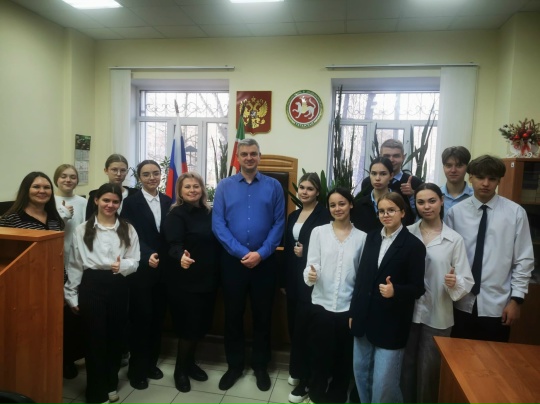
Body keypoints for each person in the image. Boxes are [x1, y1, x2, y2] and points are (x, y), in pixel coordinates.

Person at [212, 138, 286, 392]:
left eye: (253, 153)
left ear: (259, 156)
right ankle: (234, 366)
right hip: (233, 263)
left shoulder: (274, 186)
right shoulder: (224, 186)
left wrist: (261, 254)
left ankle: (260, 366)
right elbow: (218, 224)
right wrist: (243, 253)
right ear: (238, 158)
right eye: (244, 154)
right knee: (233, 316)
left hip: (265, 263)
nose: (249, 158)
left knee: (263, 316)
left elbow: (279, 223)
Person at [64, 183, 140, 404]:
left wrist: (123, 265)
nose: (110, 205)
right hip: (92, 285)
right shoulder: (82, 229)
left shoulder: (128, 229)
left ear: (119, 204)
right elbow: (75, 264)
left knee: (115, 338)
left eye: (115, 202)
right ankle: (95, 392)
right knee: (94, 340)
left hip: (118, 285)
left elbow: (135, 260)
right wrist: (71, 294)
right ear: (96, 200)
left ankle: (110, 383)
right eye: (106, 200)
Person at [445, 155, 534, 342]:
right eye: (480, 177)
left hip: (498, 304)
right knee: (458, 356)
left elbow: (523, 260)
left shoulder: (515, 213)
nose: (485, 183)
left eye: (492, 179)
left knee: (493, 358)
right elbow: (448, 258)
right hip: (460, 302)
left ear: (499, 181)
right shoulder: (455, 214)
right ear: (471, 178)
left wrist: (516, 300)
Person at [401, 183, 474, 404]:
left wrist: (454, 282)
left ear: (441, 201)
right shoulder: (406, 233)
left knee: (430, 371)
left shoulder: (454, 239)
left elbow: (466, 280)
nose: (427, 207)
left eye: (432, 201)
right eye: (421, 202)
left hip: (438, 314)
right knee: (405, 367)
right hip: (407, 312)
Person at [350, 192, 426, 404]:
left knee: (384, 382)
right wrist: (354, 312)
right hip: (364, 317)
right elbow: (362, 277)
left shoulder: (414, 246)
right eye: (382, 211)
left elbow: (418, 288)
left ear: (402, 212)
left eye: (391, 210)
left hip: (391, 322)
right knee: (361, 372)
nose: (386, 215)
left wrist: (396, 291)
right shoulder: (372, 237)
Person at [303, 188, 367, 404]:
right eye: (332, 205)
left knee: (343, 358)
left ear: (351, 204)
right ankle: (316, 394)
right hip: (321, 305)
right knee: (319, 356)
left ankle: (337, 396)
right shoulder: (319, 232)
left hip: (347, 308)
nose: (337, 208)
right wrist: (311, 275)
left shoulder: (362, 238)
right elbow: (311, 264)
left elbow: (361, 277)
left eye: (342, 203)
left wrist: (356, 310)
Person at [164, 172, 220, 393]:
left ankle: (190, 364)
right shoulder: (176, 214)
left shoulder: (209, 212)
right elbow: (173, 244)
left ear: (202, 189)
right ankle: (180, 370)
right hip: (185, 281)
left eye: (196, 186)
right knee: (188, 327)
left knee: (201, 324)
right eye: (187, 187)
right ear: (180, 191)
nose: (192, 190)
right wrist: (181, 256)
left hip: (208, 278)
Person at [120, 160, 171, 390]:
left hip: (164, 270)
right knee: (141, 320)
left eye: (156, 173)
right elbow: (130, 233)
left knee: (158, 319)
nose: (152, 178)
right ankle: (137, 370)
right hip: (141, 269)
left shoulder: (168, 201)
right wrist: (148, 254)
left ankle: (151, 364)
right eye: (146, 174)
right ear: (139, 177)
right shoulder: (130, 203)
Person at [283, 172, 331, 403]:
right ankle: (297, 369)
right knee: (294, 327)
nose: (304, 192)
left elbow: (327, 248)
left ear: (318, 192)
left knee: (308, 332)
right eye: (302, 187)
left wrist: (306, 252)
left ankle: (308, 380)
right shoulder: (293, 215)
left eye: (310, 188)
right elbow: (287, 248)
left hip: (312, 282)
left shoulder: (325, 215)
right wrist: (283, 282)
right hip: (293, 281)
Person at [53, 164, 88, 379]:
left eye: (72, 177)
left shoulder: (83, 202)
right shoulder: (49, 201)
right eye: (64, 176)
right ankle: (59, 358)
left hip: (77, 263)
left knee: (74, 312)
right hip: (55, 262)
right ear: (56, 179)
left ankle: (71, 358)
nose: (68, 180)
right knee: (58, 314)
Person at [352, 157, 415, 232]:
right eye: (374, 173)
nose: (377, 178)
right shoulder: (359, 204)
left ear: (391, 176)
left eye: (383, 174)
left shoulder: (400, 203)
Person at [359, 139, 422, 207]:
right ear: (380, 157)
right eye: (387, 156)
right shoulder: (368, 182)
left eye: (396, 156)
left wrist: (413, 194)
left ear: (403, 158)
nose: (391, 160)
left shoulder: (414, 182)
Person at [85, 154, 137, 219]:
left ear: (127, 172)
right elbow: (90, 221)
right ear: (106, 170)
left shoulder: (135, 195)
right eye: (114, 170)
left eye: (123, 170)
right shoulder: (96, 195)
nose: (118, 174)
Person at [440, 146, 473, 216]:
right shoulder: (435, 195)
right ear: (443, 168)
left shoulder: (475, 196)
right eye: (449, 166)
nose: (453, 170)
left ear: (467, 168)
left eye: (459, 165)